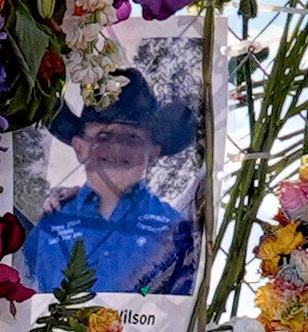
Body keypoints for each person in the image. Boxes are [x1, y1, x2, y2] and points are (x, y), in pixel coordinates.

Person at [22, 81, 200, 297]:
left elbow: (179, 311)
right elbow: (22, 297)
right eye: (103, 137)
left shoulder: (173, 229)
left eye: (132, 138)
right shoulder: (49, 224)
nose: (116, 149)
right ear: (80, 148)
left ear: (151, 153)